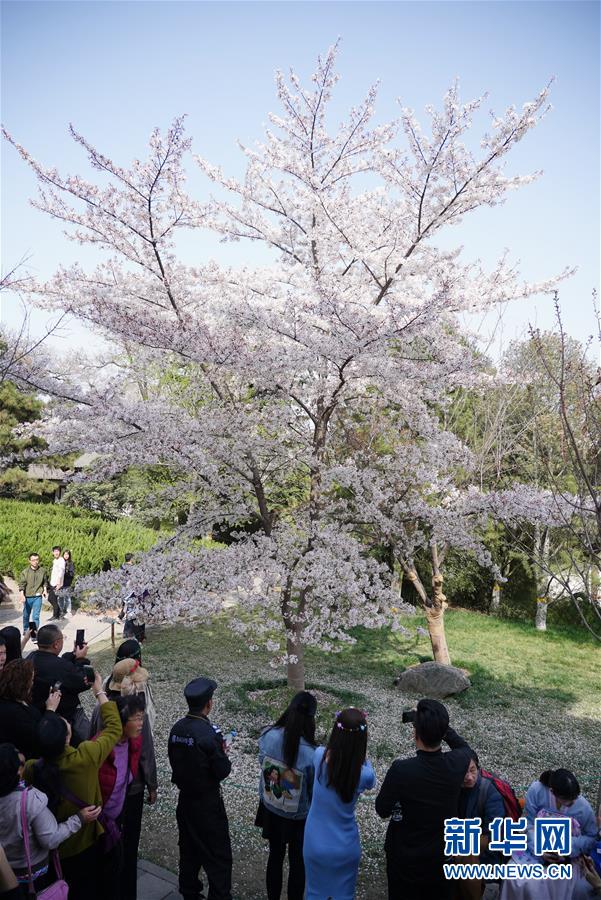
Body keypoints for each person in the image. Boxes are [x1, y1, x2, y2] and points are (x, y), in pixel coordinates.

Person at [24, 678, 122, 900]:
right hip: (84, 845)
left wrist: (49, 711)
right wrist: (99, 692)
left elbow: (45, 746)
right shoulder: (85, 757)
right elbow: (114, 726)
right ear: (67, 739)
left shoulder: (31, 768)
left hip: (50, 853)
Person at [375, 698, 472, 900]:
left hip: (404, 860)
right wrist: (438, 725)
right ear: (442, 732)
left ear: (415, 733)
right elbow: (464, 748)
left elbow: (382, 809)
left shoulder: (401, 770)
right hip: (441, 859)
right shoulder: (457, 763)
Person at [90, 658, 158, 900]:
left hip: (105, 793)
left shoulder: (102, 708)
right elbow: (146, 752)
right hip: (129, 789)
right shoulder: (136, 713)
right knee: (127, 846)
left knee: (108, 846)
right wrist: (152, 784)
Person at [0, 742, 100, 897]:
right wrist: (78, 819)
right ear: (17, 772)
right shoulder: (31, 801)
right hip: (34, 877)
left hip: (5, 874)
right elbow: (50, 839)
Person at [168, 677, 232, 900]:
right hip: (208, 804)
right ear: (209, 703)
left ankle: (189, 892)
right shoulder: (208, 734)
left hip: (185, 801)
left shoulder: (177, 729)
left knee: (188, 850)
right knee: (218, 856)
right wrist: (223, 753)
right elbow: (222, 771)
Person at [303, 707, 376, 900]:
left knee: (314, 892)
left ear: (336, 731)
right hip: (345, 845)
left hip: (314, 841)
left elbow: (329, 753)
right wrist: (360, 755)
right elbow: (370, 775)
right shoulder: (365, 774)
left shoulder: (318, 756)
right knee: (344, 894)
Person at [255, 691, 318, 900]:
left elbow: (262, 764)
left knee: (275, 856)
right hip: (298, 816)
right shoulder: (312, 753)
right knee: (297, 862)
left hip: (271, 807)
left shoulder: (268, 735)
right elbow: (312, 788)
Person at [501, 768, 598, 900]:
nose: (572, 803)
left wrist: (568, 846)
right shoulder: (536, 791)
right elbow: (529, 824)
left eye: (574, 799)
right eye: (567, 800)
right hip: (535, 849)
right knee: (516, 877)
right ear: (552, 792)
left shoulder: (583, 806)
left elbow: (591, 837)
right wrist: (539, 848)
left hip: (569, 856)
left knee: (579, 887)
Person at [95, 694, 146, 900]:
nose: (142, 723)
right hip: (97, 823)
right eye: (137, 718)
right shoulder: (100, 746)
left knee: (117, 867)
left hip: (117, 817)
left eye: (143, 717)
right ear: (122, 721)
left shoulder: (134, 742)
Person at [456, 751, 506, 900]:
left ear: (478, 767)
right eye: (463, 772)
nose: (469, 777)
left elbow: (493, 832)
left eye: (472, 770)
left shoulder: (489, 791)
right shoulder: (451, 787)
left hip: (484, 847)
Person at [29, 625, 91, 733]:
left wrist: (73, 654)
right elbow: (84, 682)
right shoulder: (61, 667)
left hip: (36, 712)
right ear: (56, 644)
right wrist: (81, 659)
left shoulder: (31, 657)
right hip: (63, 717)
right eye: (62, 639)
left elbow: (60, 663)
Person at [0, 659, 62, 760]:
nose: (32, 683)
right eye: (31, 680)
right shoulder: (14, 714)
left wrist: (47, 704)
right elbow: (41, 738)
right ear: (22, 684)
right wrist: (50, 710)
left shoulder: (12, 697)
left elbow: (31, 712)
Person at [18, 554, 49, 633]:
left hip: (37, 597)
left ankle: (34, 633)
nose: (35, 562)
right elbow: (22, 584)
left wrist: (45, 590)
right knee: (26, 615)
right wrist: (22, 595)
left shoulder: (43, 571)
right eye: (33, 560)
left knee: (35, 616)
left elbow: (45, 582)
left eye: (37, 559)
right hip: (27, 597)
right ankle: (26, 630)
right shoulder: (25, 572)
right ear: (29, 561)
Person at [119, 555, 146, 643]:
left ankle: (131, 633)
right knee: (132, 613)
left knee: (129, 611)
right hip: (131, 591)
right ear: (131, 559)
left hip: (126, 590)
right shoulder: (132, 569)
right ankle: (133, 634)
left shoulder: (121, 567)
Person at [47, 546, 65, 620]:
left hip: (57, 583)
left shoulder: (61, 560)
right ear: (52, 552)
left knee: (52, 598)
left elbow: (61, 572)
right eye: (55, 551)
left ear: (60, 552)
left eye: (58, 551)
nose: (56, 553)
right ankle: (58, 613)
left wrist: (58, 583)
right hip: (52, 583)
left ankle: (56, 615)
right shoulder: (55, 560)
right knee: (51, 599)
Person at [58, 550, 75, 618]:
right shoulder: (60, 562)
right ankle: (61, 610)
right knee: (60, 597)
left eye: (67, 554)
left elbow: (72, 573)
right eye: (65, 554)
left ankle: (69, 611)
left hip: (67, 583)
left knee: (67, 598)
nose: (66, 556)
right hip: (60, 583)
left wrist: (67, 572)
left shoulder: (71, 563)